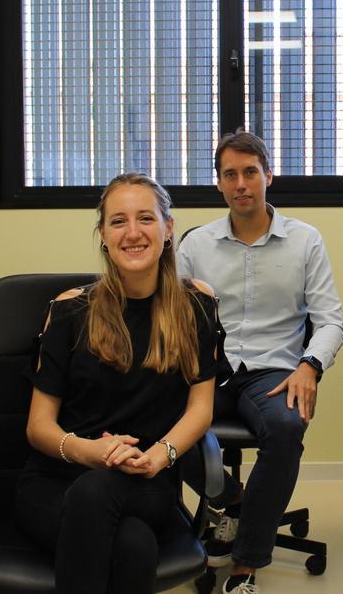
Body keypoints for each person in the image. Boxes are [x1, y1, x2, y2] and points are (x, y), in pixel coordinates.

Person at [15, 173, 223, 594]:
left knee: (100, 500)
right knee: (133, 545)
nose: (133, 233)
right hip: (57, 478)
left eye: (146, 218)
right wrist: (89, 451)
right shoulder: (71, 310)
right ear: (103, 236)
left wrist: (160, 456)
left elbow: (201, 409)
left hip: (148, 479)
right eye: (118, 221)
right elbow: (39, 426)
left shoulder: (196, 306)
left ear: (168, 229)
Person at [177, 130, 343, 594]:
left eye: (251, 172)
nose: (241, 184)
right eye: (230, 174)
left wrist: (310, 366)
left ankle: (246, 563)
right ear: (218, 184)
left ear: (269, 175)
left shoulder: (305, 241)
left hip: (274, 371)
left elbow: (331, 321)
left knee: (287, 427)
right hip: (208, 369)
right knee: (152, 416)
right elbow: (165, 312)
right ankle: (230, 499)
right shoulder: (195, 246)